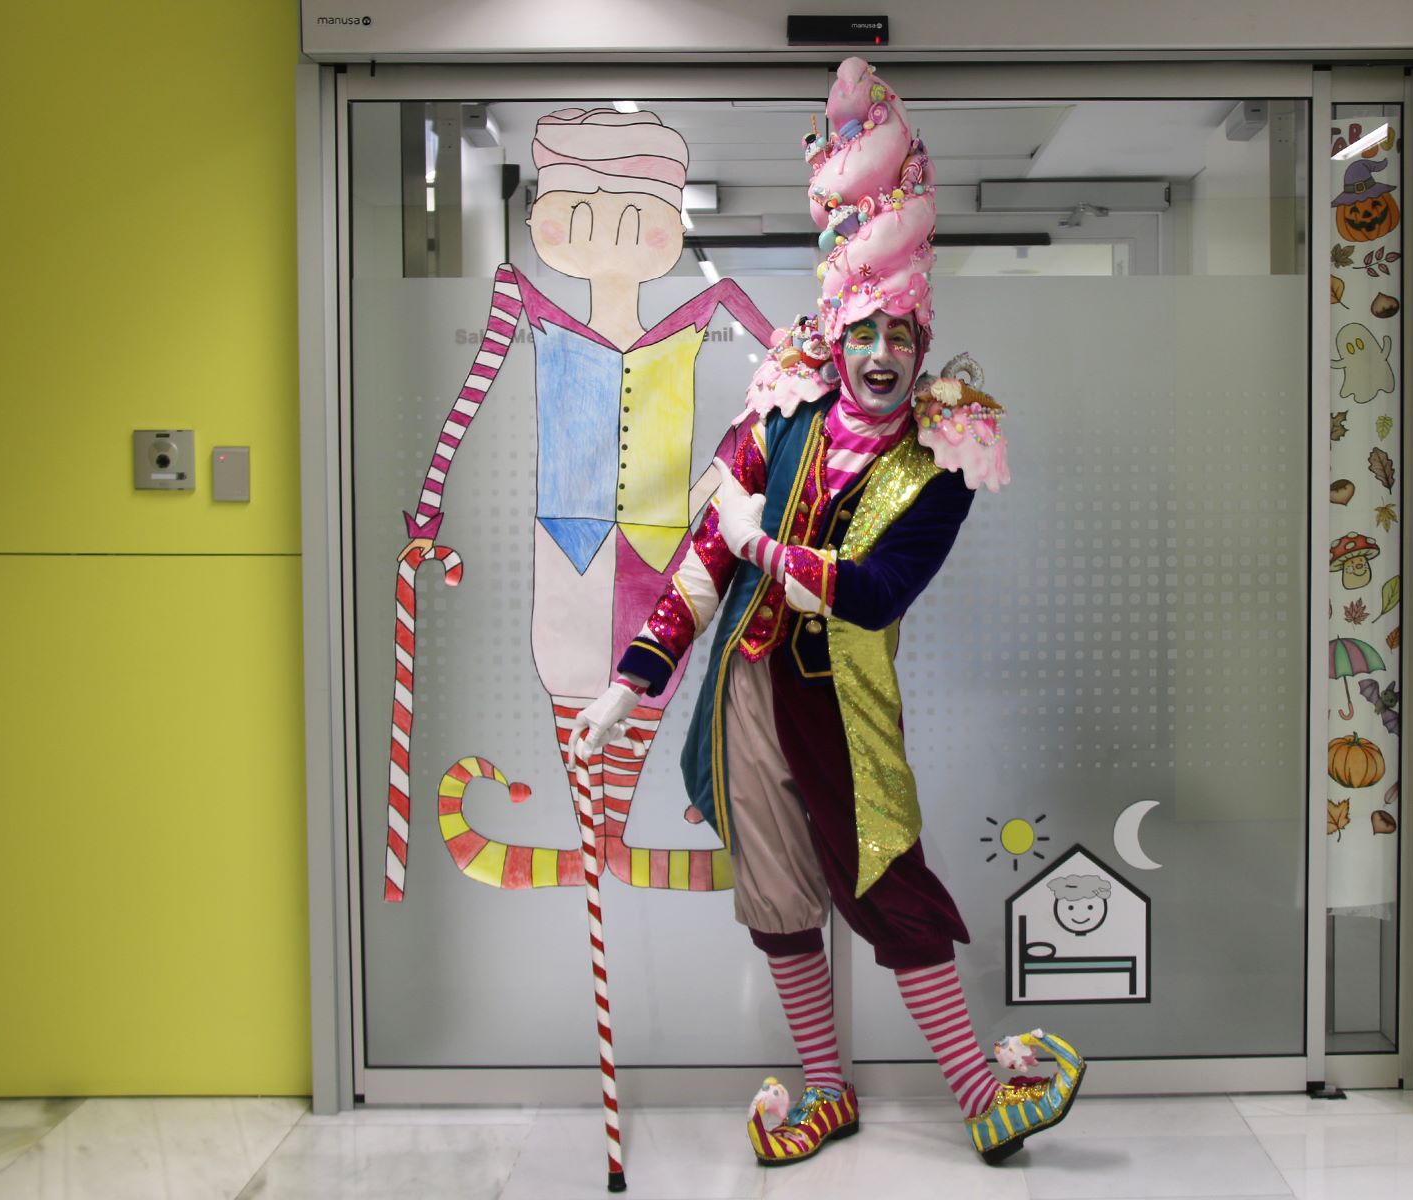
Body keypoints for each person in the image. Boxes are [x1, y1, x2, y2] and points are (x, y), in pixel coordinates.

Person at [569, 57, 1082, 1167]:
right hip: (746, 698)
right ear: (835, 333)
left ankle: (977, 1089)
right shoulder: (781, 416)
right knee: (776, 891)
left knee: (886, 877)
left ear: (922, 340)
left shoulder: (942, 457)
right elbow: (704, 560)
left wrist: (763, 542)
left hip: (843, 702)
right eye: (865, 334)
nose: (882, 356)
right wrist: (628, 684)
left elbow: (876, 590)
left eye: (901, 336)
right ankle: (826, 1092)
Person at [395, 106, 772, 897]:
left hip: (662, 551)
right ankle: (601, 846)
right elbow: (473, 391)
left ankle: (616, 844)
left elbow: (793, 387)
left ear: (667, 229)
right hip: (567, 545)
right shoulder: (530, 307)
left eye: (636, 212)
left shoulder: (709, 309)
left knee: (646, 680)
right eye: (583, 209)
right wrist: (429, 508)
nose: (613, 227)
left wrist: (716, 481)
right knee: (573, 684)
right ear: (547, 224)